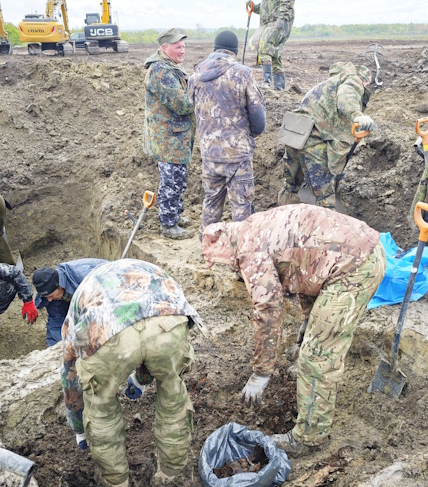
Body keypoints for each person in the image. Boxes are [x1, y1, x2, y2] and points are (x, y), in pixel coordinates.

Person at [201, 205, 386, 457]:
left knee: (317, 355)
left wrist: (261, 373)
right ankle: (312, 407)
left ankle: (310, 437)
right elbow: (304, 265)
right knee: (314, 344)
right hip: (359, 249)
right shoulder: (255, 225)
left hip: (354, 266)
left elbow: (268, 308)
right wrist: (309, 318)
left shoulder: (249, 251)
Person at [64, 259, 201, 487]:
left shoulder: (83, 294)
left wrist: (79, 428)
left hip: (106, 333)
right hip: (168, 321)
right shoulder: (148, 270)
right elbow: (151, 338)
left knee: (102, 407)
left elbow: (69, 372)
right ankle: (170, 474)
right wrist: (141, 378)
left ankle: (118, 486)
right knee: (172, 393)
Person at [188, 30, 266, 232]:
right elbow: (258, 117)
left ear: (214, 49)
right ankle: (241, 253)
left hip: (209, 154)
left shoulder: (195, 76)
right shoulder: (243, 74)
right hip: (237, 155)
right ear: (234, 51)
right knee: (241, 206)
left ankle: (207, 247)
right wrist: (249, 134)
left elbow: (194, 110)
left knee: (211, 202)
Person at [33, 258, 108, 450]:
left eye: (50, 295)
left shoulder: (87, 277)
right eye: (46, 297)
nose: (48, 299)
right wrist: (58, 351)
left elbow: (107, 311)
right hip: (73, 300)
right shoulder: (51, 296)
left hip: (102, 297)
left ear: (59, 285)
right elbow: (56, 323)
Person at [276, 62, 375, 209]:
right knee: (325, 196)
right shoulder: (353, 81)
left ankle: (284, 219)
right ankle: (325, 228)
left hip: (294, 133)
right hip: (313, 139)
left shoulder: (327, 84)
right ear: (364, 81)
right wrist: (357, 115)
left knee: (290, 185)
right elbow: (345, 98)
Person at [143, 28, 196, 240]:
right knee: (171, 181)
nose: (182, 50)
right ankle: (168, 223)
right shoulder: (161, 72)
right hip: (168, 139)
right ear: (164, 47)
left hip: (175, 137)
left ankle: (174, 214)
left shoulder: (170, 67)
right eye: (178, 47)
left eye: (183, 46)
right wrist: (200, 94)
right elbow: (182, 104)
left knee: (178, 179)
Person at [247, 0, 294, 90]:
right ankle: (279, 89)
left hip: (280, 22)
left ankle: (266, 83)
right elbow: (267, 8)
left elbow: (287, 0)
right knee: (275, 56)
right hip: (268, 23)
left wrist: (282, 19)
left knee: (264, 44)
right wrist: (254, 7)